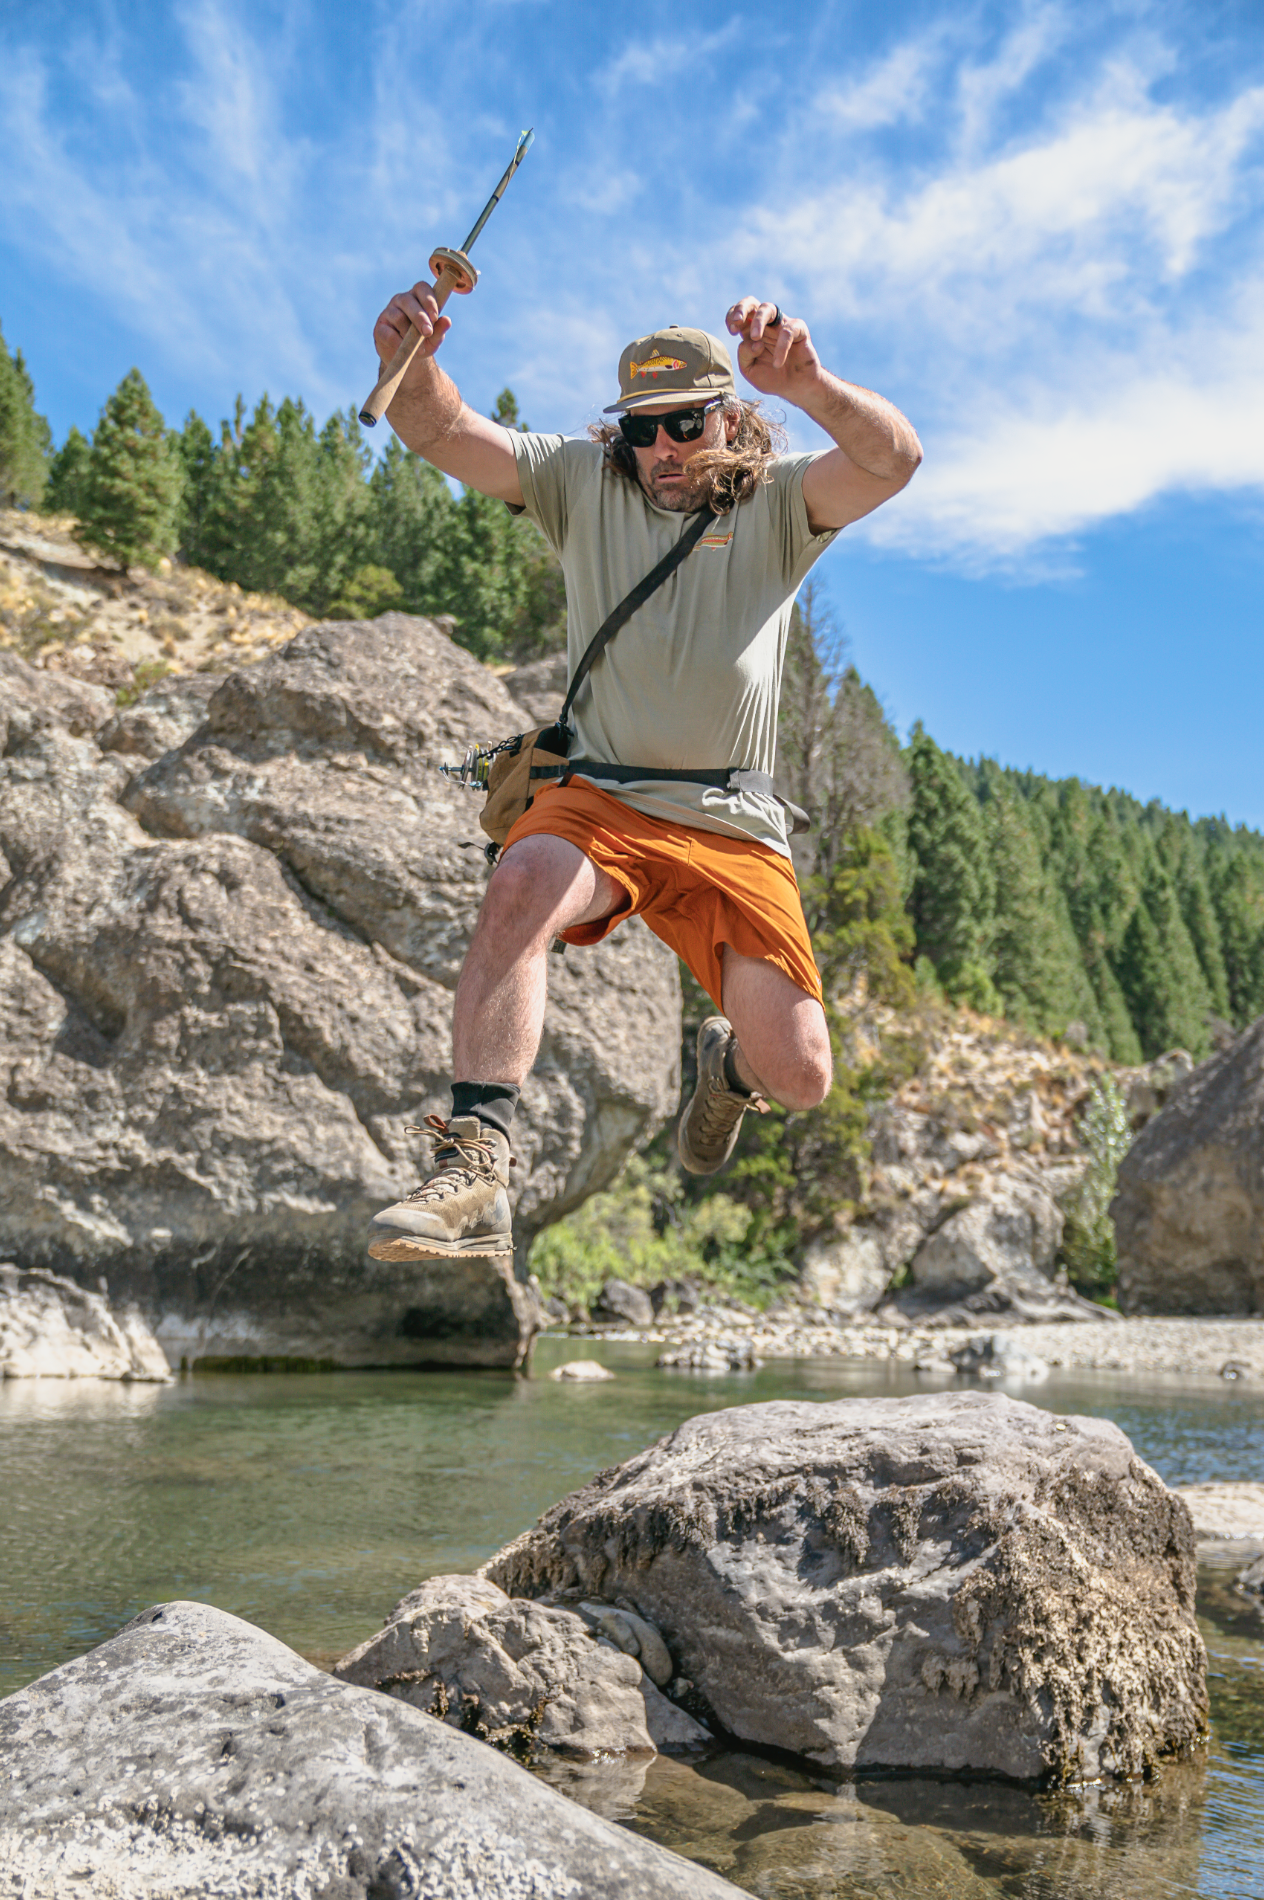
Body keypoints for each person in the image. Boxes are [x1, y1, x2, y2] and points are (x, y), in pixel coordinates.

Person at [365, 289, 922, 1264]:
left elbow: (894, 460)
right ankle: (477, 1161)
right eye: (642, 429)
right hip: (604, 797)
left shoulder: (782, 501)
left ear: (728, 417)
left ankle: (727, 1068)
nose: (663, 446)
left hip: (731, 816)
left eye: (684, 423)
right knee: (523, 881)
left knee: (800, 1075)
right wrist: (408, 357)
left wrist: (810, 384)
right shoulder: (580, 482)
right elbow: (440, 428)